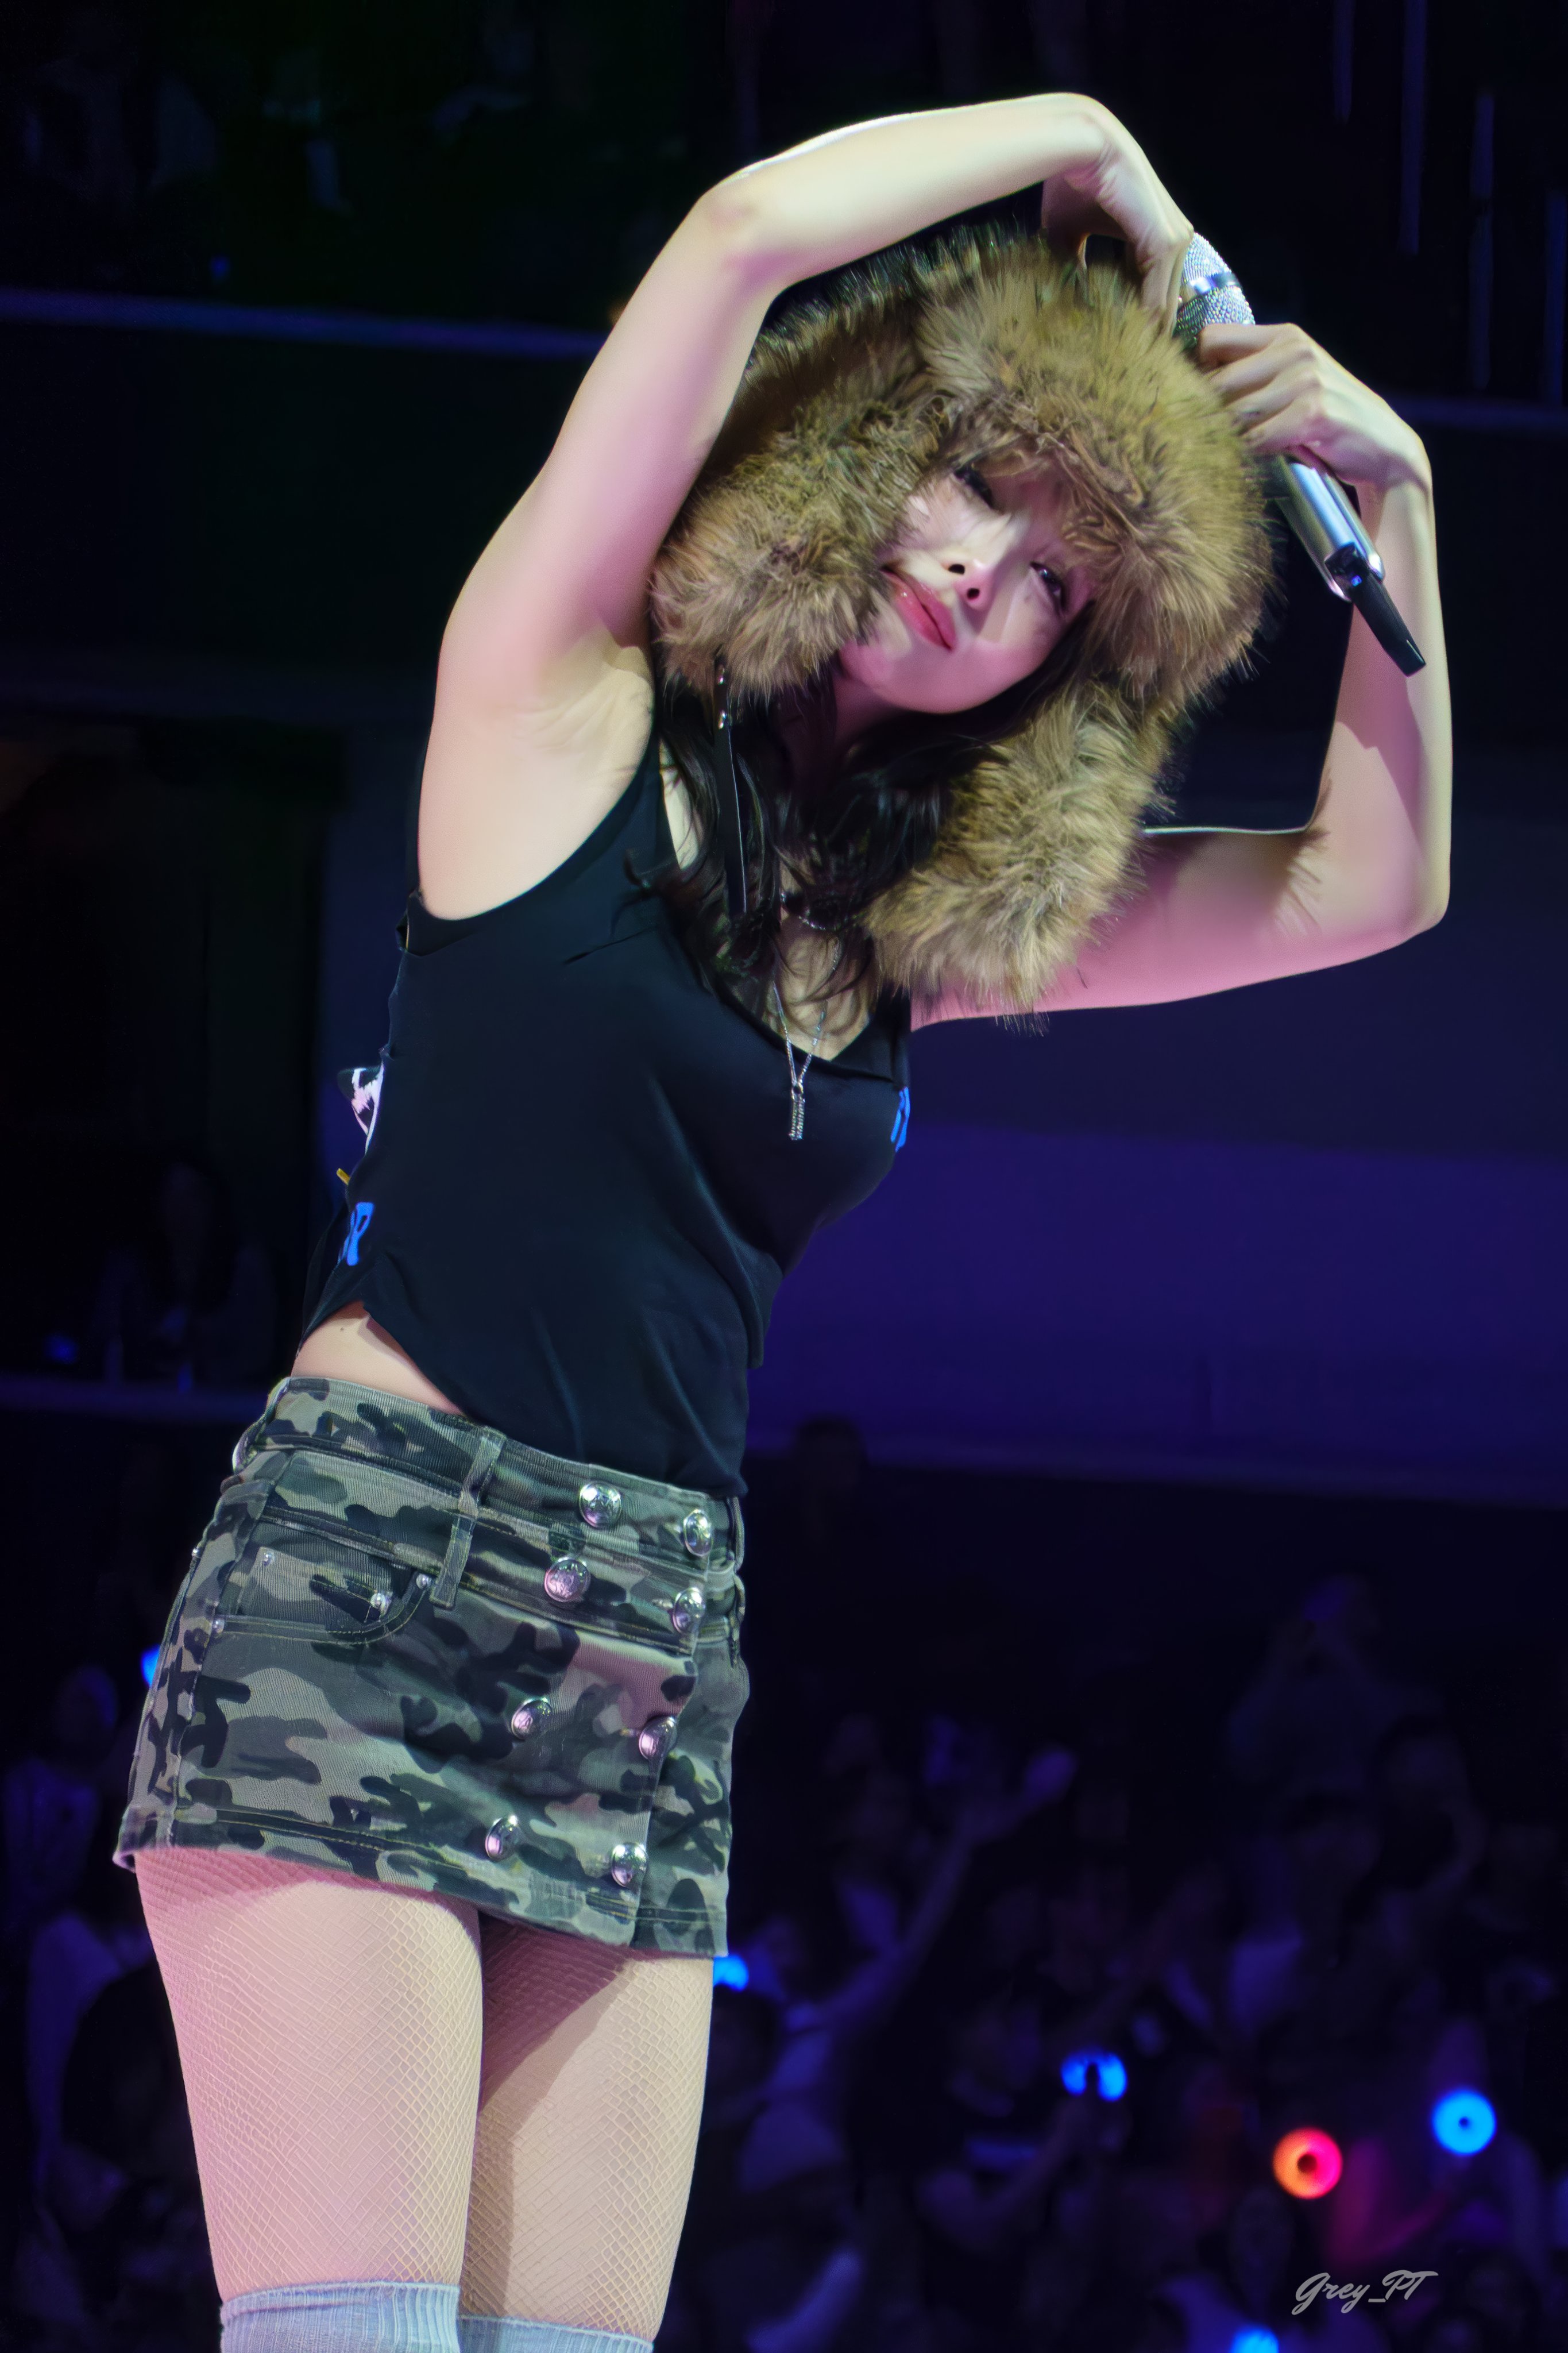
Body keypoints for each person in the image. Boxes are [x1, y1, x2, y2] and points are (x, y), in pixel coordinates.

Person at [114, 86, 1449, 2353]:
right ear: (866, 446)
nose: (982, 573)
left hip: (654, 1634)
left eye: (1055, 582)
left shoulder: (918, 929)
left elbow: (1368, 883)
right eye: (973, 483)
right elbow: (742, 230)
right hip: (375, 1561)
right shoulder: (558, 693)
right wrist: (1086, 131)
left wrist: (1392, 491)